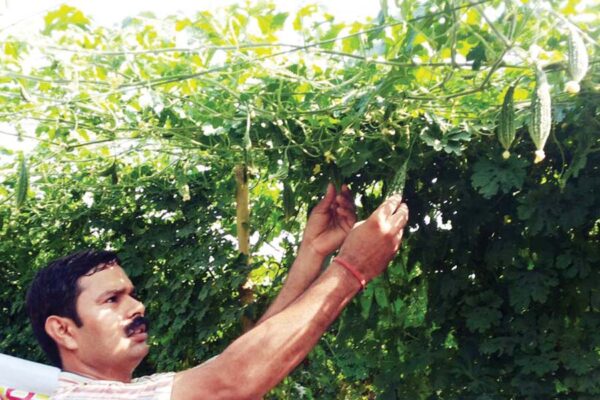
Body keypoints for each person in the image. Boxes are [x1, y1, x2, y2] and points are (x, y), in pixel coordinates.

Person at [26, 184, 409, 399]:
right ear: (62, 330)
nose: (137, 306)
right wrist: (351, 269)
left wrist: (312, 254)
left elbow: (243, 368)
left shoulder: (136, 390)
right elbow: (230, 383)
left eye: (130, 293)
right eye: (112, 300)